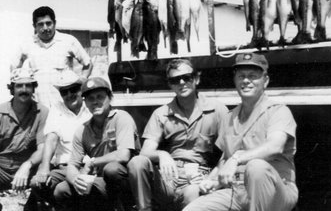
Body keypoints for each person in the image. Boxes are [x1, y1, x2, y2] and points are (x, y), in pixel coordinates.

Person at [183, 53, 298, 211]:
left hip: (276, 192)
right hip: (238, 191)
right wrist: (210, 180)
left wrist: (237, 158)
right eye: (241, 76)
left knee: (256, 167)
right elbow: (225, 160)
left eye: (253, 76)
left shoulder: (278, 111)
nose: (246, 80)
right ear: (235, 80)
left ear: (266, 81)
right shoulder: (230, 117)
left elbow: (274, 146)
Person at [128, 58, 229, 211]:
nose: (182, 82)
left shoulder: (218, 110)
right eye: (175, 80)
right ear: (170, 85)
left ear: (196, 78)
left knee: (193, 191)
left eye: (186, 77)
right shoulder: (161, 114)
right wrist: (162, 155)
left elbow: (228, 153)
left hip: (199, 177)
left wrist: (210, 179)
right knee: (137, 162)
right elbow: (145, 152)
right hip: (169, 177)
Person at [54, 77, 139, 211]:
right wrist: (76, 180)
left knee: (112, 169)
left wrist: (93, 162)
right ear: (85, 103)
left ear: (110, 98)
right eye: (90, 99)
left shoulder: (121, 118)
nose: (95, 102)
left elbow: (123, 155)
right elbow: (72, 165)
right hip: (100, 180)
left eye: (100, 97)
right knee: (62, 189)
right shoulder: (82, 130)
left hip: (127, 180)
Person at [0, 69, 49, 211]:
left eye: (28, 85)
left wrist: (27, 165)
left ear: (33, 88)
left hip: (28, 171)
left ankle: (33, 205)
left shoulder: (42, 112)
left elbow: (43, 147)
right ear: (11, 89)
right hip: (0, 169)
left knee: (46, 181)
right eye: (19, 86)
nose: (24, 90)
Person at [26, 70, 92, 210]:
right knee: (36, 183)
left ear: (81, 89)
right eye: (64, 92)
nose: (69, 95)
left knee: (63, 190)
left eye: (73, 89)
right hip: (64, 167)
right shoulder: (57, 109)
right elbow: (51, 139)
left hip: (89, 167)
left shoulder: (91, 107)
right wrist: (44, 168)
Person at [10, 6, 93, 108]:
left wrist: (81, 81)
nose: (45, 28)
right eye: (40, 24)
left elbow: (88, 63)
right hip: (38, 104)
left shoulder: (68, 41)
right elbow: (14, 69)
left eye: (48, 23)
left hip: (64, 103)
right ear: (34, 26)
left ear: (55, 23)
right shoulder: (27, 44)